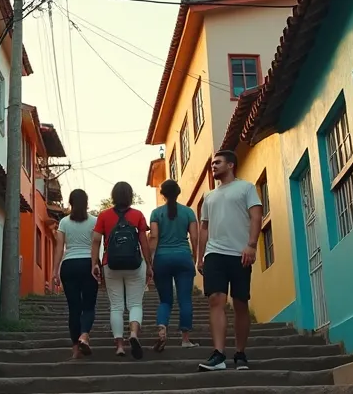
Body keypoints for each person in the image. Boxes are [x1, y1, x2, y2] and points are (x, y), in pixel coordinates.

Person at [197, 150, 263, 371]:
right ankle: (218, 354)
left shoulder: (246, 188)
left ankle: (240, 353)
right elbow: (204, 227)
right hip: (214, 254)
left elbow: (256, 216)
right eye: (212, 163)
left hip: (240, 253)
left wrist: (252, 245)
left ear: (231, 165)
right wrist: (200, 256)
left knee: (240, 303)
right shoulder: (208, 196)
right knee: (216, 299)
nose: (213, 166)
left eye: (218, 162)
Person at [91, 181, 152, 359]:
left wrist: (94, 263)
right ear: (130, 196)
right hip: (135, 264)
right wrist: (149, 264)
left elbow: (95, 241)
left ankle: (119, 346)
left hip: (111, 264)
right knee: (135, 304)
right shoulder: (138, 215)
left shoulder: (104, 215)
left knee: (116, 306)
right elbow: (144, 242)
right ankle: (133, 334)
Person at [148, 179, 200, 352]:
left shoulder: (156, 213)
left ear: (162, 194)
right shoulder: (188, 212)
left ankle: (162, 327)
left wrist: (150, 261)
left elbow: (153, 238)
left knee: (165, 300)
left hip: (162, 259)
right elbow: (194, 237)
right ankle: (185, 339)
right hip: (183, 257)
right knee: (185, 299)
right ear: (178, 192)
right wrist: (195, 257)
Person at [53, 189, 99, 359]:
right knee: (88, 306)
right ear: (86, 203)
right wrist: (96, 265)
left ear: (70, 203)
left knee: (74, 309)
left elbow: (59, 248)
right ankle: (84, 335)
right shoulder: (95, 221)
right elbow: (96, 245)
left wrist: (55, 271)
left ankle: (75, 349)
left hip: (69, 266)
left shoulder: (64, 222)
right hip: (88, 264)